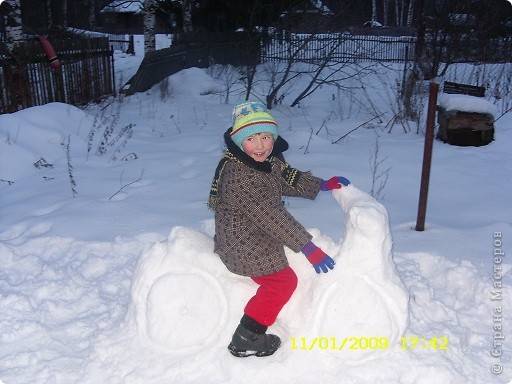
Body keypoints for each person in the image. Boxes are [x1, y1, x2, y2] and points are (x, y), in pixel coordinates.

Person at [208, 101, 350, 358]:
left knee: (283, 273)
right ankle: (246, 337)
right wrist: (307, 247)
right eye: (251, 138)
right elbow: (271, 216)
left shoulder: (262, 162)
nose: (260, 145)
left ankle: (248, 336)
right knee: (282, 282)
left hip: (251, 227)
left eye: (265, 137)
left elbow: (284, 181)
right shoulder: (241, 175)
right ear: (239, 142)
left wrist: (321, 185)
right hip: (240, 240)